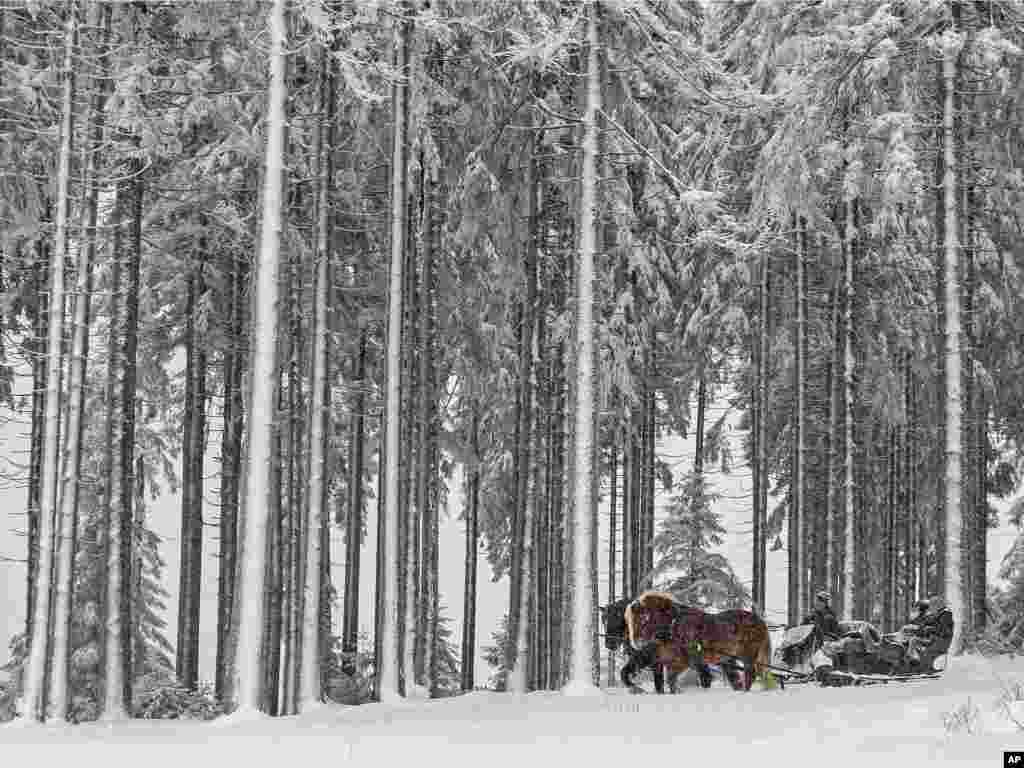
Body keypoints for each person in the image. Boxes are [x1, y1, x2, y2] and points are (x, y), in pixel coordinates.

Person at [906, 594, 954, 668]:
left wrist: (928, 629)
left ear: (938, 604)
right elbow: (929, 622)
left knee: (913, 640)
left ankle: (914, 661)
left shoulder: (946, 614)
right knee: (912, 639)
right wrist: (919, 627)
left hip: (940, 641)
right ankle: (914, 660)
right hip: (937, 639)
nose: (931, 607)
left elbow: (943, 630)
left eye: (933, 604)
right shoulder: (939, 613)